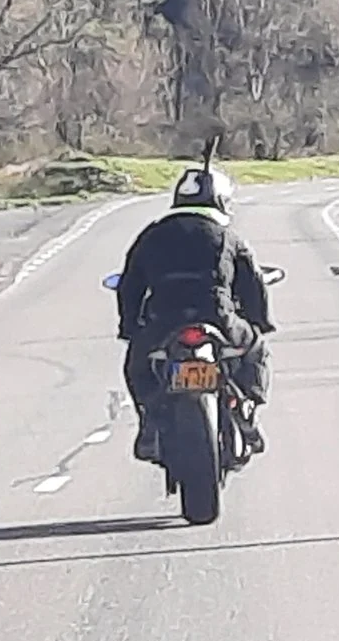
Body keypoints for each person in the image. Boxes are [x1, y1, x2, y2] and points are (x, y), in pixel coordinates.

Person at [113, 150, 274, 462]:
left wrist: (130, 326)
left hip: (163, 322)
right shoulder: (228, 237)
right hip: (219, 318)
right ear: (222, 201)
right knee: (255, 347)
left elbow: (129, 284)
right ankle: (247, 410)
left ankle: (148, 420)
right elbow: (253, 283)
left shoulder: (152, 235)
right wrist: (259, 321)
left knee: (136, 363)